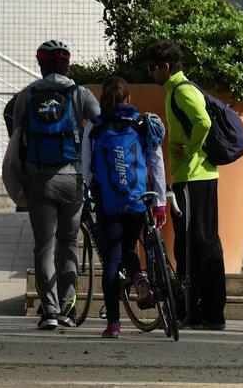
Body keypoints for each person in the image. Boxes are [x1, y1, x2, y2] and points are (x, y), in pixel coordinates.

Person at [12, 40, 100, 330]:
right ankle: (67, 308)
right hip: (72, 177)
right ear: (68, 64)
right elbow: (101, 126)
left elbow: (15, 130)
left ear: (40, 65)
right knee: (69, 244)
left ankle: (48, 311)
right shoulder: (80, 94)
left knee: (44, 247)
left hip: (38, 178)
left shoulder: (27, 95)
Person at [147, 41, 226, 330]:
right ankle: (199, 310)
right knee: (193, 244)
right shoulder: (177, 91)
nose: (150, 73)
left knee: (198, 245)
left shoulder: (182, 92)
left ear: (165, 68)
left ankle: (209, 313)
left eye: (153, 67)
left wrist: (190, 150)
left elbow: (202, 122)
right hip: (192, 178)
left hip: (195, 178)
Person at [81, 77, 167, 339]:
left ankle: (114, 325)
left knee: (112, 259)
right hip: (138, 203)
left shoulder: (93, 127)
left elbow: (86, 169)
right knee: (130, 247)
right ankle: (139, 275)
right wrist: (160, 202)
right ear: (129, 99)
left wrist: (94, 193)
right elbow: (157, 161)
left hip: (108, 204)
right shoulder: (143, 124)